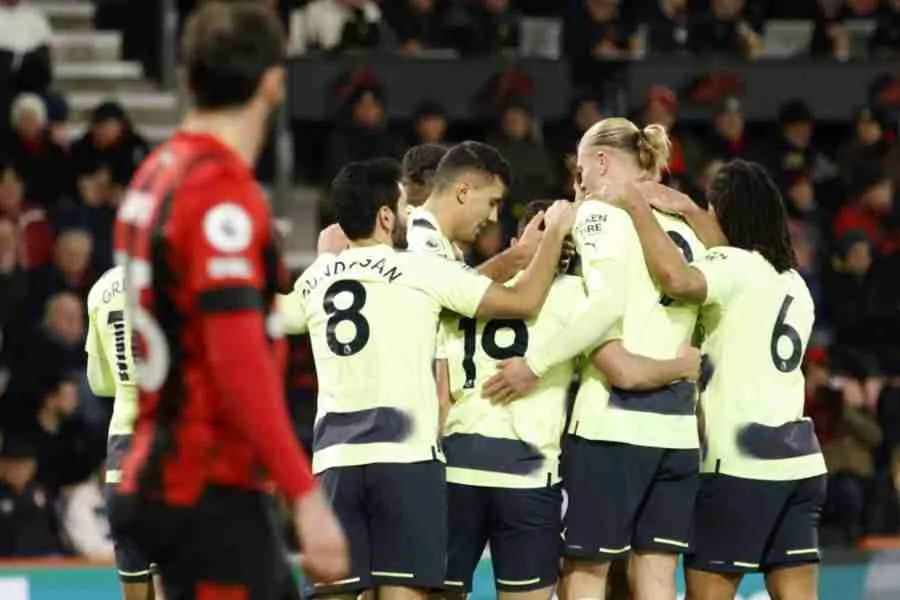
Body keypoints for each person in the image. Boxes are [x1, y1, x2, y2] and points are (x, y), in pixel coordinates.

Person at [109, 3, 348, 599]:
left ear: (188, 79)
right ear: (274, 82)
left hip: (159, 465)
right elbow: (235, 359)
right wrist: (305, 494)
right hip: (204, 483)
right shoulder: (220, 196)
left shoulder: (155, 173)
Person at [279, 158, 575, 600]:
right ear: (383, 217)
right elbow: (524, 299)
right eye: (403, 207)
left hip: (336, 460)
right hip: (407, 461)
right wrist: (553, 233)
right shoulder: (420, 271)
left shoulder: (316, 278)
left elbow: (270, 317)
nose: (410, 215)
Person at [484, 117, 709, 600]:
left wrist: (535, 364)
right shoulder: (680, 222)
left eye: (581, 171)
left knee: (585, 573)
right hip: (677, 428)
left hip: (613, 426)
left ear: (601, 162)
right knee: (655, 579)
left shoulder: (600, 213)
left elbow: (604, 305)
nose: (577, 185)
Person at [440, 200, 701, 600]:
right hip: (527, 477)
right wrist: (682, 366)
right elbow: (624, 370)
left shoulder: (462, 293)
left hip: (456, 471)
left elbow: (439, 392)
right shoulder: (575, 298)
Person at [607, 160, 827, 600]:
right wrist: (689, 208)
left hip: (738, 465)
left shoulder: (732, 268)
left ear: (725, 214)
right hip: (801, 463)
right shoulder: (793, 283)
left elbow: (678, 277)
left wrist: (638, 208)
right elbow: (733, 259)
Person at [85, 265, 158, 600]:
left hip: (122, 450)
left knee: (133, 574)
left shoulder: (102, 288)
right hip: (166, 439)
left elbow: (99, 383)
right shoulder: (177, 268)